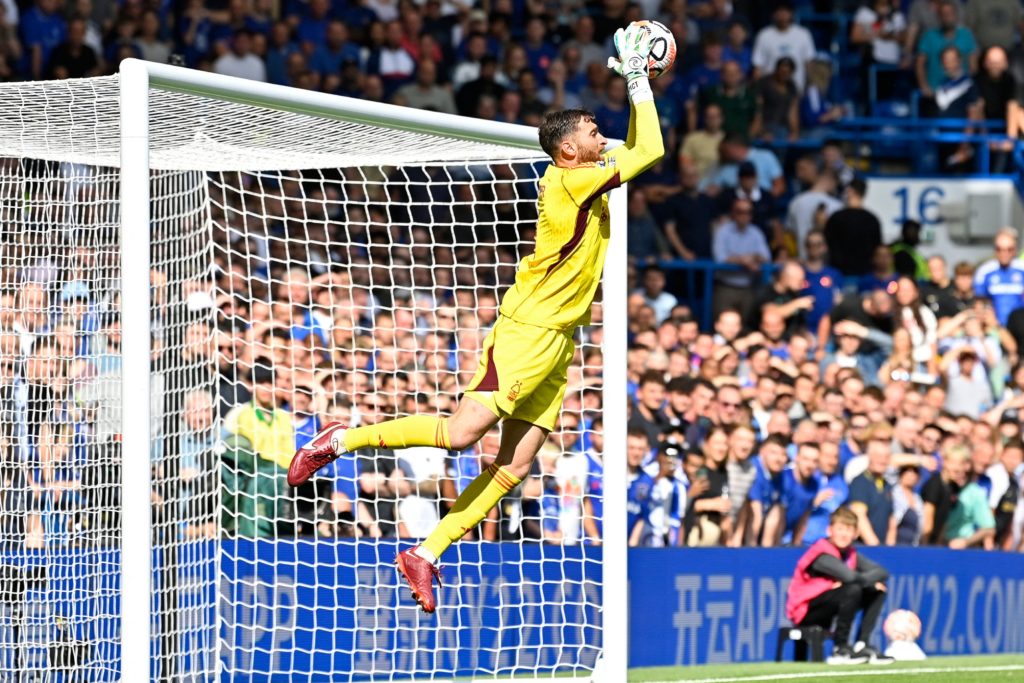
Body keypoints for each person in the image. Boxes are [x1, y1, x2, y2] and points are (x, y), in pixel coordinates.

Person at [287, 23, 665, 613]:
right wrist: (639, 80)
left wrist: (640, 86)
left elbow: (638, 145)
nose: (601, 136)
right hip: (527, 330)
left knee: (515, 465)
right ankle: (340, 440)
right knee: (463, 435)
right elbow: (652, 151)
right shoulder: (568, 183)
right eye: (593, 132)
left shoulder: (585, 174)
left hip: (559, 339)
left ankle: (426, 553)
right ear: (570, 150)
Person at [785, 507, 894, 665]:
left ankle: (861, 644)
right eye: (840, 529)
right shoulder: (821, 553)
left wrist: (866, 583)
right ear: (830, 530)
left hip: (830, 603)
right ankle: (840, 648)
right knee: (853, 589)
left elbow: (882, 572)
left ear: (856, 534)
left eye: (849, 529)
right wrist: (861, 581)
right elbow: (850, 577)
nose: (844, 534)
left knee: (877, 591)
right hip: (805, 611)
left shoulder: (851, 553)